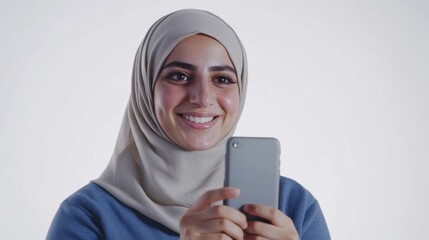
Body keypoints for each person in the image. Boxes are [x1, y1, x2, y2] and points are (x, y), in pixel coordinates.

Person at [46, 9, 330, 240]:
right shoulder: (88, 216)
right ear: (146, 87)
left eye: (222, 79)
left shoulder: (292, 207)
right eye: (179, 76)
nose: (203, 98)